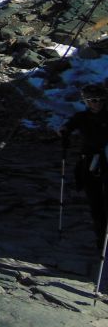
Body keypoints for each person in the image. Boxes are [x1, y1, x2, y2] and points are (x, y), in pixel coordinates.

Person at [61, 84, 108, 248]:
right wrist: (64, 133)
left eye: (101, 100)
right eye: (93, 100)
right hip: (88, 163)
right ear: (86, 102)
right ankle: (101, 239)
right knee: (96, 203)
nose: (97, 103)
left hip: (105, 161)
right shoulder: (81, 117)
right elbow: (67, 127)